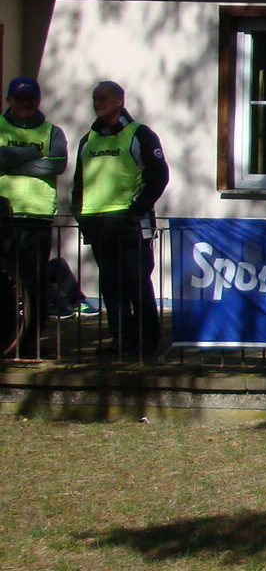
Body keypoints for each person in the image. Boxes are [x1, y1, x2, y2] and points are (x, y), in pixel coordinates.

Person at [72, 81, 169, 360]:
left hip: (130, 225)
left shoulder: (139, 134)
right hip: (98, 224)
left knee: (136, 283)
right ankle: (121, 339)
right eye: (95, 98)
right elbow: (79, 183)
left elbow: (158, 176)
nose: (98, 103)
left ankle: (147, 341)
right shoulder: (88, 140)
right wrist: (81, 215)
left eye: (104, 98)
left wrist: (136, 210)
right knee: (111, 287)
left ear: (120, 101)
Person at [0, 78, 68, 358]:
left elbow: (57, 164)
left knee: (35, 284)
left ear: (38, 100)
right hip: (4, 218)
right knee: (5, 285)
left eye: (30, 98)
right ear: (9, 100)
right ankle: (6, 339)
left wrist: (12, 163)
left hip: (38, 218)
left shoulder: (53, 132)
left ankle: (31, 344)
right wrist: (31, 154)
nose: (25, 103)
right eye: (19, 98)